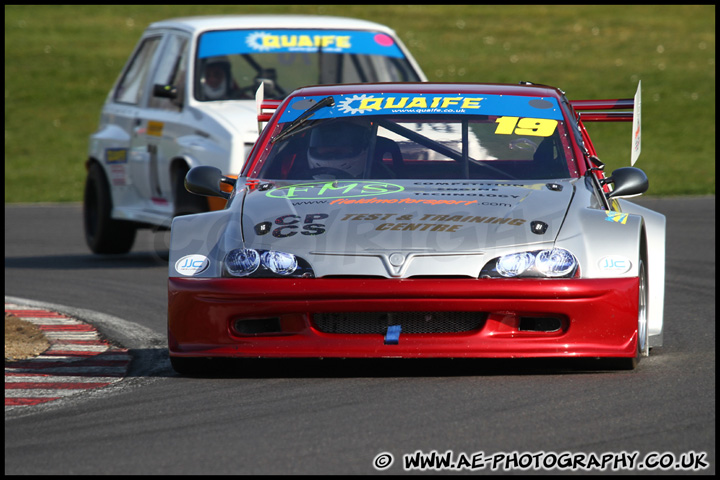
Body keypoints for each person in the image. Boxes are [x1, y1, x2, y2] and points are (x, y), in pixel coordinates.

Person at [306, 120, 372, 178]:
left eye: (342, 141)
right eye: (326, 140)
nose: (331, 147)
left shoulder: (380, 179)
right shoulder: (297, 176)